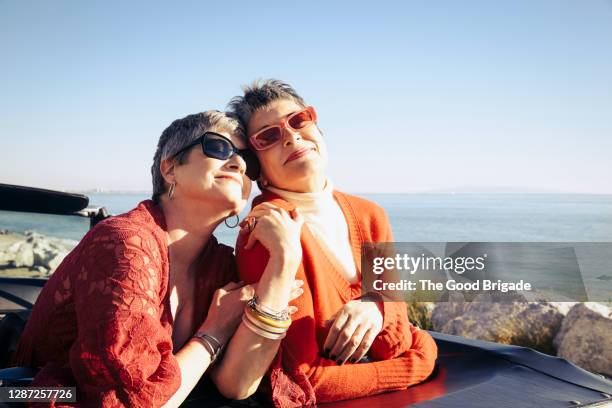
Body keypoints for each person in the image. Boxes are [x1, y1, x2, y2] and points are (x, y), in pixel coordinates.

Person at [11, 110, 304, 407]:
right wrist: (213, 332)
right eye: (218, 147)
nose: (239, 163)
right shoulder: (125, 242)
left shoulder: (220, 266)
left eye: (249, 161)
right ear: (169, 168)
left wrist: (285, 259)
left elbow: (238, 386)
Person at [221, 80, 438, 406]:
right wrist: (419, 361)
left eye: (299, 120)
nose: (292, 136)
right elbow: (303, 379)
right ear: (257, 167)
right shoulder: (267, 231)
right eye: (269, 136)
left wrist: (376, 306)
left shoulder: (370, 215)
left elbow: (393, 342)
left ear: (319, 130)